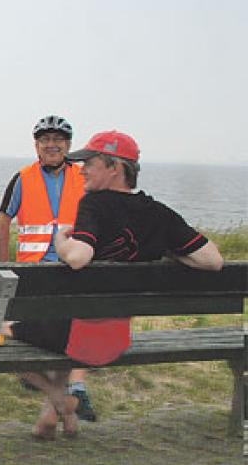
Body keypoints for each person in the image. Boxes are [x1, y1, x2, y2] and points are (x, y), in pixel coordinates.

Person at [14, 130, 223, 439]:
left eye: (90, 163)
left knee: (0, 328)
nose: (82, 170)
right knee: (63, 324)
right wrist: (169, 250)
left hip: (77, 335)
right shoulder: (159, 213)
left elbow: (78, 257)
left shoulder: (95, 205)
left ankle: (59, 400)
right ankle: (53, 417)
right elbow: (213, 260)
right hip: (115, 337)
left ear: (115, 168)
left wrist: (60, 240)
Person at [0, 115, 97, 422]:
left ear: (68, 145)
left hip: (71, 266)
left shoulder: (84, 177)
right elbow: (3, 219)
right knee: (61, 329)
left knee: (66, 328)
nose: (51, 145)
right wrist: (4, 264)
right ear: (36, 145)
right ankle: (70, 392)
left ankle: (58, 403)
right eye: (44, 140)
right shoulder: (23, 177)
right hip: (33, 271)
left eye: (58, 140)